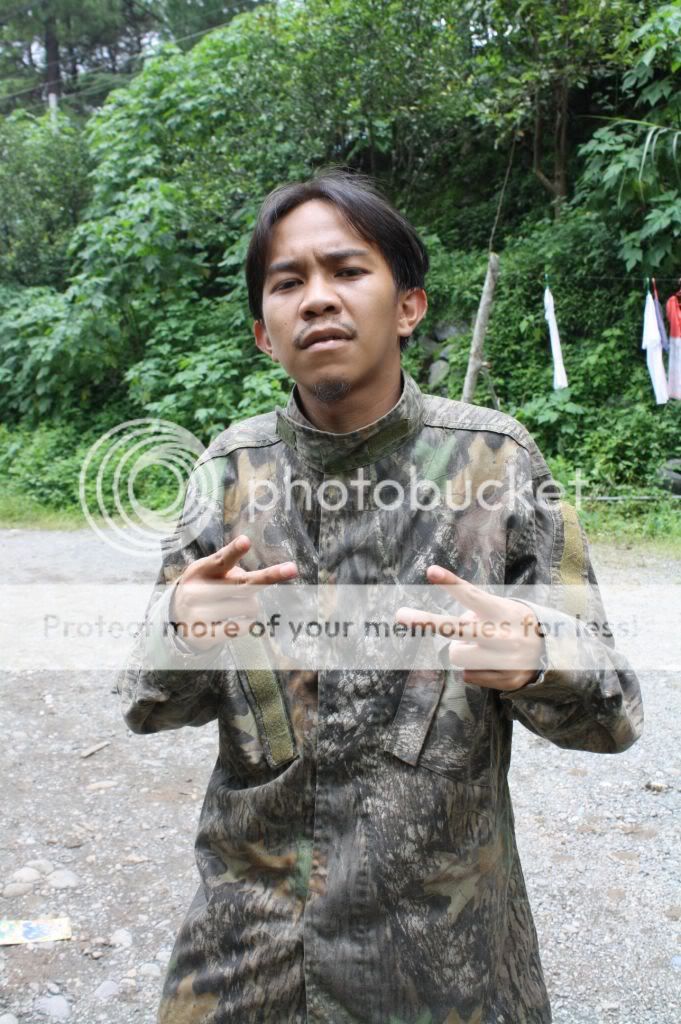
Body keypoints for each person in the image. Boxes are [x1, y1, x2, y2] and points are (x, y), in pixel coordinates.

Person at [118, 170, 643, 1024]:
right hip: (248, 957)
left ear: (407, 306)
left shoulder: (496, 469)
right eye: (288, 283)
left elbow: (615, 716)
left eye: (347, 270)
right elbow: (147, 705)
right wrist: (179, 630)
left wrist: (540, 659)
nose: (316, 298)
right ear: (262, 332)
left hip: (445, 967)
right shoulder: (225, 477)